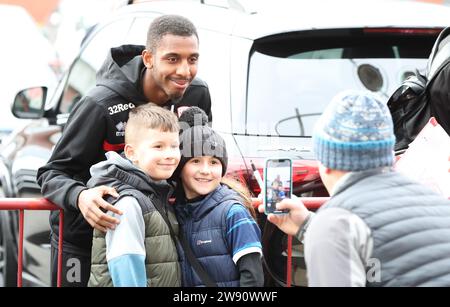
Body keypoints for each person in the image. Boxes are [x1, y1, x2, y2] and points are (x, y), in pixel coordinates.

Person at [37, 14, 211, 287]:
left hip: (161, 240)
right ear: (149, 59)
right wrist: (81, 196)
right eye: (172, 58)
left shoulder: (197, 94)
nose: (184, 71)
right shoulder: (100, 103)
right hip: (86, 241)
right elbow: (52, 172)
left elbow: (202, 159)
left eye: (192, 59)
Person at [260, 90, 450, 287]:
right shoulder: (437, 204)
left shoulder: (336, 222)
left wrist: (322, 229)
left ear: (326, 162)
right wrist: (308, 226)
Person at [87, 105, 181, 287]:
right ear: (131, 153)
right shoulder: (127, 203)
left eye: (174, 146)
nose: (169, 154)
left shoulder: (154, 192)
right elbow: (126, 265)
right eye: (158, 147)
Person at [173, 119, 264, 287]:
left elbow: (253, 278)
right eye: (196, 161)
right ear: (180, 167)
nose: (206, 170)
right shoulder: (173, 211)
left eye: (214, 162)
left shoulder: (233, 212)